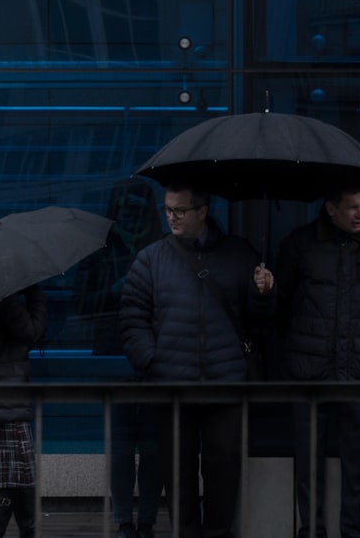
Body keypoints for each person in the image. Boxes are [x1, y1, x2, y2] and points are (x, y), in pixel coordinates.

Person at [119, 183, 275, 538]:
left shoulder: (239, 254)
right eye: (168, 210)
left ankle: (218, 533)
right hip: (172, 384)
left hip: (225, 382)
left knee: (223, 470)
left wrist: (264, 294)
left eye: (179, 210)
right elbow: (132, 318)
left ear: (202, 212)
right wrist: (153, 361)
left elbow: (260, 321)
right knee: (178, 474)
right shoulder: (152, 258)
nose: (171, 217)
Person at [275, 181, 360, 538]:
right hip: (311, 372)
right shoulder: (301, 243)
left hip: (358, 370)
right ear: (330, 208)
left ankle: (354, 532)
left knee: (358, 465)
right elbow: (280, 305)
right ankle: (311, 531)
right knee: (308, 464)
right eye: (352, 207)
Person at [73, 179, 164, 538]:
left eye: (137, 210)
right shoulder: (99, 252)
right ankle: (125, 520)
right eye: (124, 209)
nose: (129, 216)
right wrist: (113, 294)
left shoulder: (162, 250)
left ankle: (147, 521)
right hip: (111, 356)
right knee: (123, 446)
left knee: (154, 448)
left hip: (154, 358)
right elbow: (80, 306)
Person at [0, 284, 49, 538]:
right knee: (15, 479)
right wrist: (36, 294)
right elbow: (31, 331)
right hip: (8, 401)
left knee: (0, 478)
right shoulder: (4, 299)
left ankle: (20, 530)